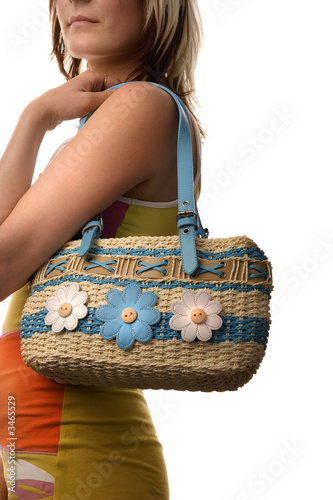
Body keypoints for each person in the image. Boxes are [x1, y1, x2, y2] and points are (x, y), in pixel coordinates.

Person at [0, 0, 204, 497]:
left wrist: (36, 117)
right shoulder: (107, 119)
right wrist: (36, 119)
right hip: (31, 440)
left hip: (78, 447)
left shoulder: (141, 107)